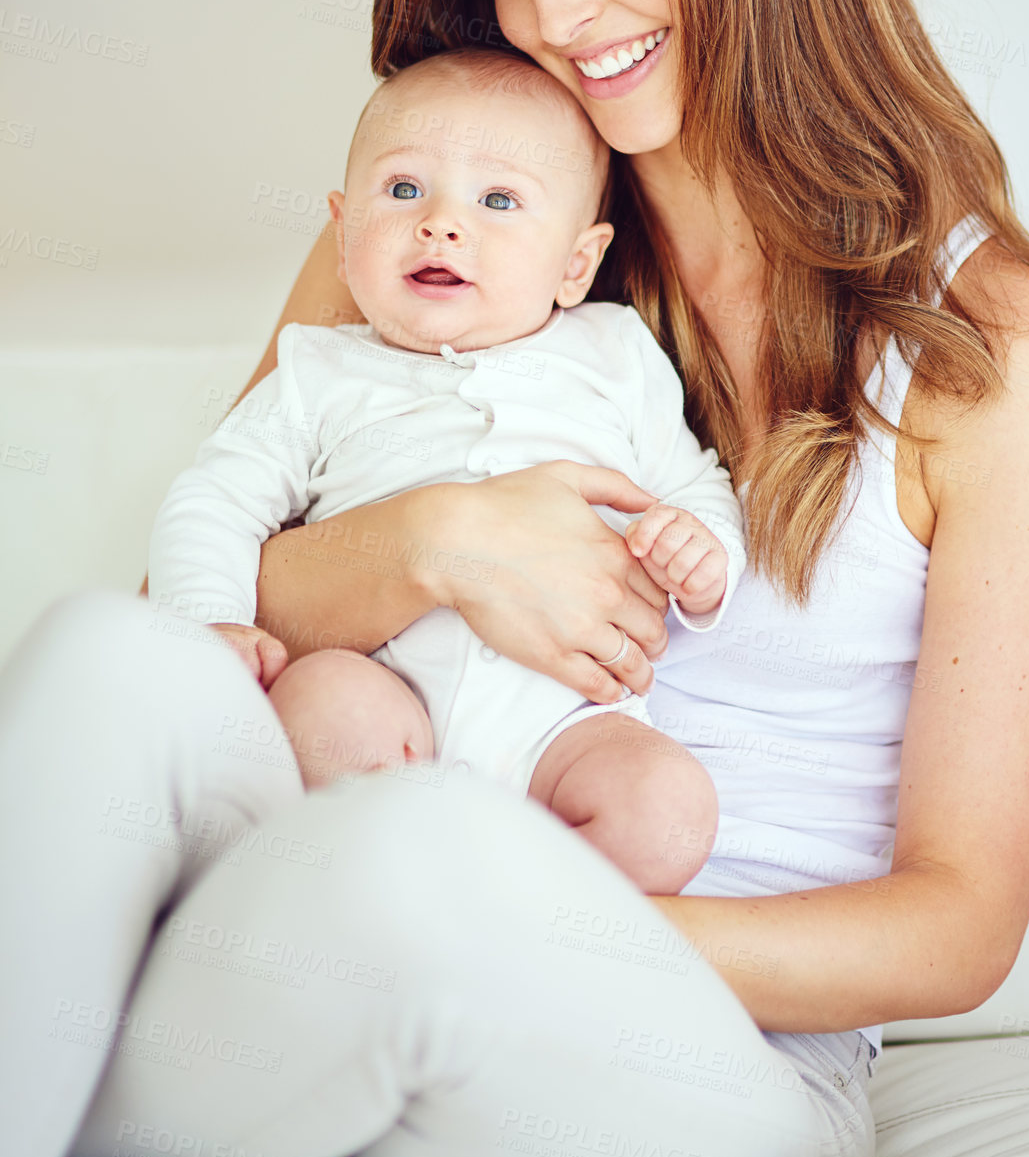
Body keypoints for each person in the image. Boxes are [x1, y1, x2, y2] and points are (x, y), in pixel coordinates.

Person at [0, 0, 1029, 1157]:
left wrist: (553, 927)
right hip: (355, 930)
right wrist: (440, 540)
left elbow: (956, 930)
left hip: (697, 1046)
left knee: (425, 856)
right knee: (103, 655)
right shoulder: (459, 212)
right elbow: (210, 602)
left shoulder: (1000, 346)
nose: (560, 16)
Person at [148, 47, 746, 894]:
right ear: (343, 224)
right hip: (387, 688)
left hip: (560, 725)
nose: (441, 224)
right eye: (401, 190)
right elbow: (213, 497)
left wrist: (701, 550)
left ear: (577, 263)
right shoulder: (318, 372)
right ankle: (375, 910)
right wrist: (208, 619)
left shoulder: (615, 355)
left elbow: (691, 484)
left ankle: (513, 922)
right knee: (321, 711)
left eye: (498, 200)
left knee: (667, 806)